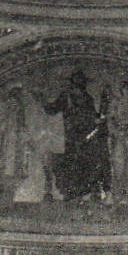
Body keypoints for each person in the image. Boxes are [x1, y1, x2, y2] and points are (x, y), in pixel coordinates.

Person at [44, 70, 109, 201]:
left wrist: (100, 116)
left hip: (87, 134)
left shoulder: (87, 97)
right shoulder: (67, 96)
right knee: (72, 161)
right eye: (77, 81)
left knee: (87, 161)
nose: (80, 84)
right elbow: (52, 109)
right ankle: (72, 192)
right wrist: (41, 100)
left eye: (81, 81)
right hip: (72, 135)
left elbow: (92, 115)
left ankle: (88, 190)